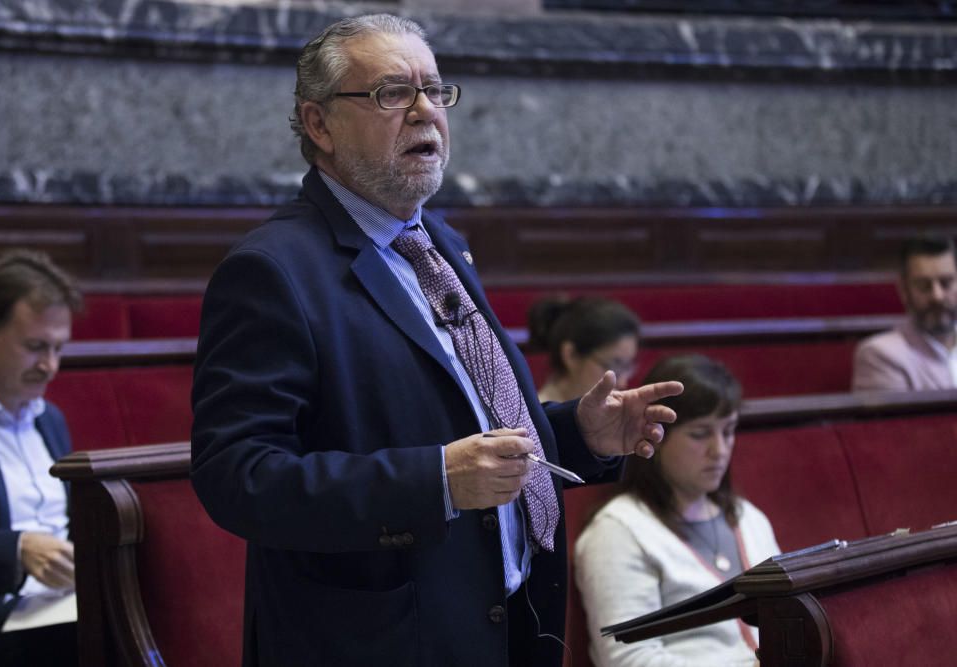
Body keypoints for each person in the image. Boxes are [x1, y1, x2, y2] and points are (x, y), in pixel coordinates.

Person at [190, 13, 682, 667]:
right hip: (377, 640)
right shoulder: (273, 270)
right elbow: (237, 477)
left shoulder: (439, 243)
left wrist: (576, 434)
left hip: (501, 617)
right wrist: (434, 482)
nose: (425, 110)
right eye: (392, 93)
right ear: (319, 124)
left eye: (435, 90)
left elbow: (465, 426)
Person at [574, 355, 780, 667]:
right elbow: (629, 659)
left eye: (728, 431)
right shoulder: (617, 530)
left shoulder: (747, 516)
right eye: (700, 434)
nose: (720, 450)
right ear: (656, 435)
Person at [0, 249, 81, 666]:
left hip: (60, 608)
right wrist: (16, 550)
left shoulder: (51, 420)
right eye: (35, 347)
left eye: (59, 349)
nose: (50, 366)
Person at [853, 236, 957, 391]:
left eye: (946, 283)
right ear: (904, 290)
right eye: (924, 286)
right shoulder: (880, 355)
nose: (937, 296)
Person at [527, 295, 640, 402]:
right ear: (571, 355)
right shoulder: (537, 419)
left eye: (627, 367)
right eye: (613, 366)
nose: (622, 383)